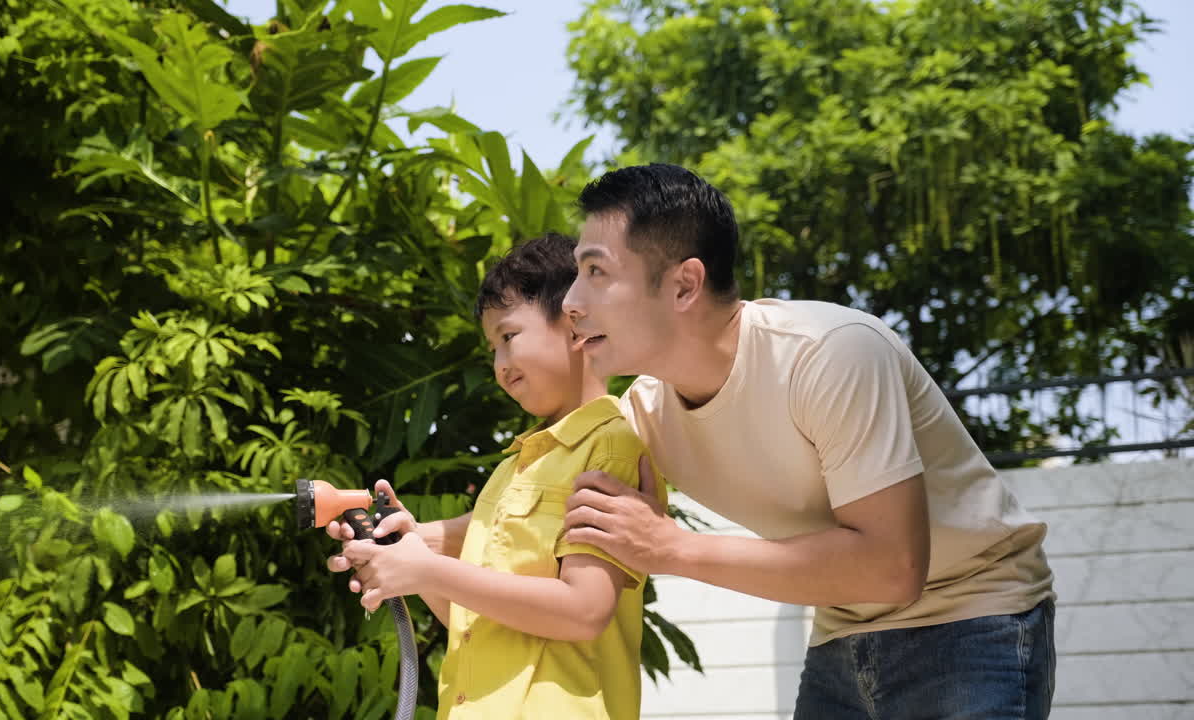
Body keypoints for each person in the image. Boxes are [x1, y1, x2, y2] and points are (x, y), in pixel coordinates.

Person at [555, 163, 1056, 719]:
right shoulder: (646, 414)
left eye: (595, 272)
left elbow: (893, 567)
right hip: (840, 633)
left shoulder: (829, 353)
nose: (571, 302)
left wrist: (670, 548)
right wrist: (438, 549)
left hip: (971, 617)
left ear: (684, 285)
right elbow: (534, 508)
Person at [327, 233, 665, 720]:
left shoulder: (609, 446)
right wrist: (413, 557)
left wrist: (428, 569)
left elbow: (585, 609)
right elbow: (473, 622)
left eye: (508, 336)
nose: (499, 365)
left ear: (576, 325)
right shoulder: (513, 467)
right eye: (492, 347)